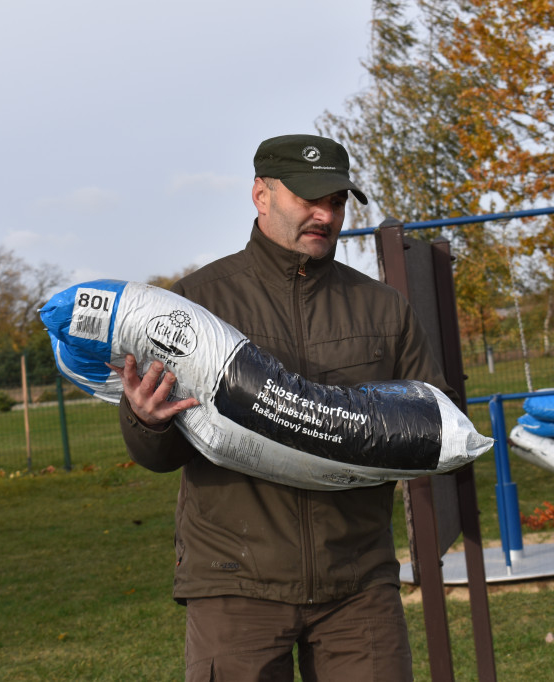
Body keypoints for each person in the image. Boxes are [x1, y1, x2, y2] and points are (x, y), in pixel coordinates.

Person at [110, 134, 457, 681]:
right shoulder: (197, 304)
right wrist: (145, 420)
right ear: (261, 194)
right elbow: (157, 455)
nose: (326, 214)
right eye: (309, 199)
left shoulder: (383, 309)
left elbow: (433, 426)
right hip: (235, 583)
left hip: (358, 584)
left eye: (338, 202)